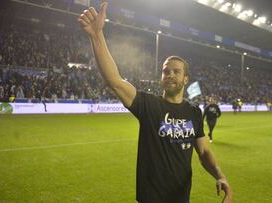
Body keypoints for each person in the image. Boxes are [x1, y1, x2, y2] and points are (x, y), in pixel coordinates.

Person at [78, 2, 232, 203]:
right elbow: (114, 81)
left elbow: (203, 151)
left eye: (176, 71)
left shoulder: (193, 112)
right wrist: (96, 35)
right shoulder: (148, 105)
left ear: (186, 79)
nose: (170, 74)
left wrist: (220, 175)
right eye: (165, 71)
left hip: (181, 198)